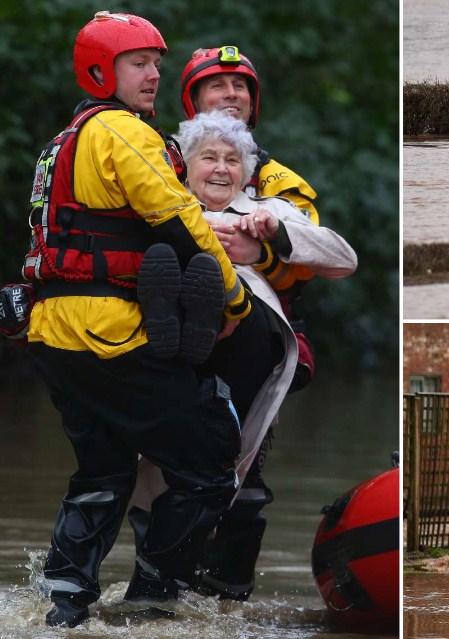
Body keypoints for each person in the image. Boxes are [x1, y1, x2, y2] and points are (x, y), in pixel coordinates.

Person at [21, 12, 251, 628]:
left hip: (49, 330)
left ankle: (65, 602)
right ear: (101, 70)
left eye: (155, 62)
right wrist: (236, 301)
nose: (153, 74)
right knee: (210, 461)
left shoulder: (62, 139)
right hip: (107, 332)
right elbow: (178, 218)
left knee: (104, 467)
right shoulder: (123, 131)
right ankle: (153, 590)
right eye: (137, 63)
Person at [129, 110, 357, 602]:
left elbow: (344, 259)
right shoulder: (162, 205)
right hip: (164, 355)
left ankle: (211, 313)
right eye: (208, 157)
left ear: (247, 172)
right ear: (184, 167)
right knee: (179, 471)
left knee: (217, 465)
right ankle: (190, 320)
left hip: (248, 344)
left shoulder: (265, 209)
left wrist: (272, 236)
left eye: (232, 160)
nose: (220, 168)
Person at [179, 45, 323, 389]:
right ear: (194, 101)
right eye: (218, 85)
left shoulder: (282, 181)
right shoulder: (160, 165)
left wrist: (260, 253)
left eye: (239, 86)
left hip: (257, 319)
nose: (231, 93)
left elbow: (308, 265)